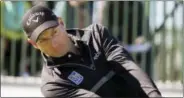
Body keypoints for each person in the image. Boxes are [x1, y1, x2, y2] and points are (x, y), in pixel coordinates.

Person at [21, 5, 161, 97]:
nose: (54, 43)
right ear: (33, 44)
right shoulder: (52, 85)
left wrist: (154, 95)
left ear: (61, 23)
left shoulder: (96, 34)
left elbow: (127, 65)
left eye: (54, 32)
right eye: (43, 40)